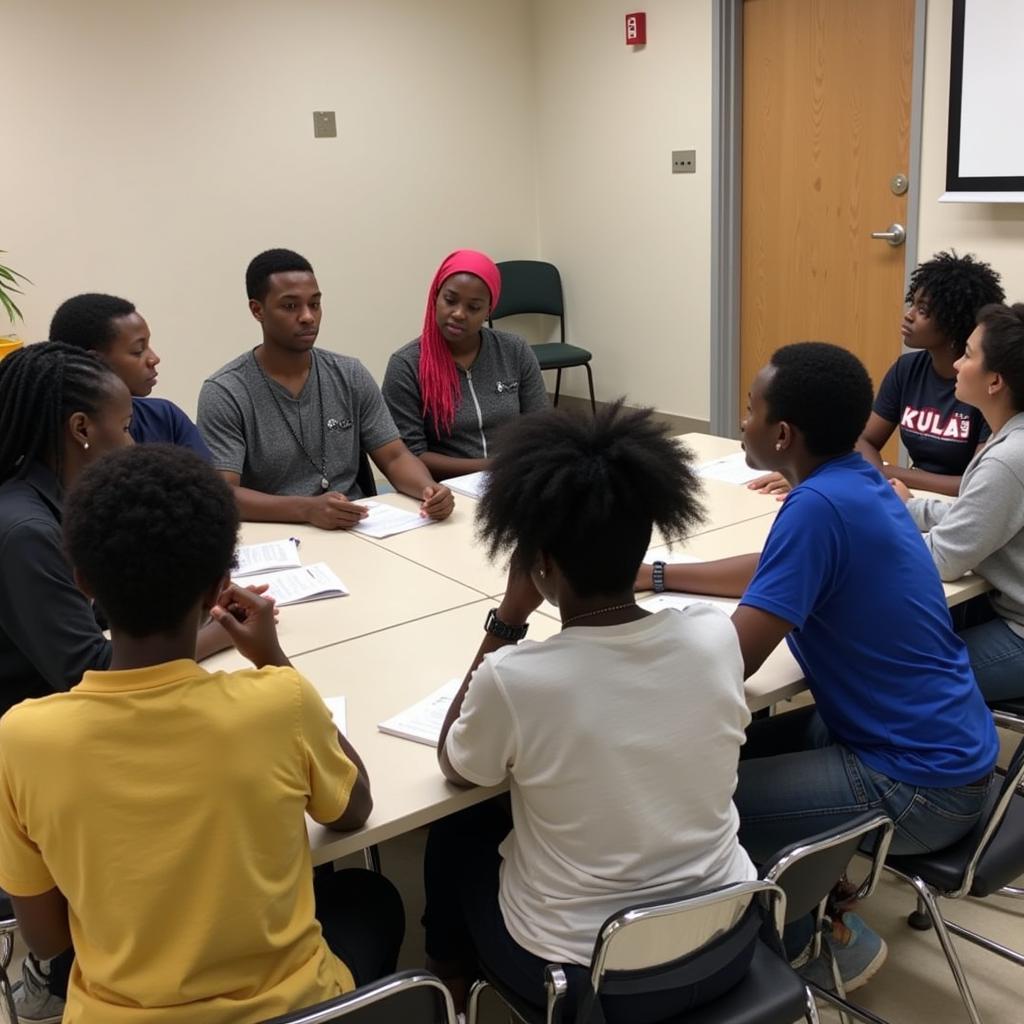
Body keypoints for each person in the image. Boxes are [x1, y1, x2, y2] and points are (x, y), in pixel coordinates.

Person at [0, 444, 405, 1024]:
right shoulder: (276, 700)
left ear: (83, 582)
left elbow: (44, 940)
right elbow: (353, 810)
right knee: (373, 900)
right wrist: (273, 660)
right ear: (220, 589)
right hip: (293, 1008)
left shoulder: (24, 737)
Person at [640, 342, 998, 991]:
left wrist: (613, 661)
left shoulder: (819, 506)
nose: (743, 419)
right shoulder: (851, 483)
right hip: (948, 752)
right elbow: (776, 568)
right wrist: (657, 574)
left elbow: (729, 663)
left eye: (750, 408)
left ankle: (815, 940)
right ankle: (815, 896)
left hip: (923, 785)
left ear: (781, 434)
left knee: (700, 799)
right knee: (727, 753)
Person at [423, 403, 759, 1021]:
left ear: (540, 561)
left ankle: (450, 979)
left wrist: (508, 618)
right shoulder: (714, 637)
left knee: (455, 829)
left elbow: (455, 763)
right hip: (729, 934)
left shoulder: (518, 679)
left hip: (587, 976)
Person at [198, 248, 454, 529]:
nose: (308, 316)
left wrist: (429, 489)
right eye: (290, 306)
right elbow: (225, 494)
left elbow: (395, 456)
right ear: (257, 310)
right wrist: (307, 509)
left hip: (356, 527)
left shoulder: (350, 374)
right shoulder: (225, 392)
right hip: (278, 534)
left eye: (315, 304)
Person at [748, 252, 1004, 498]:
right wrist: (873, 474)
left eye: (923, 310)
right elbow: (864, 438)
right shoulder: (907, 369)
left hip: (958, 506)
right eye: (912, 303)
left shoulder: (983, 385)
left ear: (953, 322)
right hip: (907, 494)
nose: (909, 315)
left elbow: (973, 482)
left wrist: (884, 471)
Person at [893, 303, 1024, 703]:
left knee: (891, 679)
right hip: (1006, 612)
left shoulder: (1008, 458)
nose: (957, 362)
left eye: (967, 354)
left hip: (1017, 632)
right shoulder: (1012, 439)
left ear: (994, 381)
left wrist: (868, 532)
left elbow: (943, 559)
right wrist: (905, 508)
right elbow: (976, 514)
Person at [382, 249, 548, 480]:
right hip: (446, 488)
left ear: (489, 310)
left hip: (516, 479)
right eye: (450, 300)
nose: (459, 314)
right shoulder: (406, 365)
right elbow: (412, 455)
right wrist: (494, 466)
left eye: (474, 307)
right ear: (435, 297)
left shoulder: (514, 350)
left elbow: (541, 428)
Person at [49, 292, 212, 458]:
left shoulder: (165, 418)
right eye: (138, 351)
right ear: (93, 362)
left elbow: (209, 482)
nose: (154, 359)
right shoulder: (56, 442)